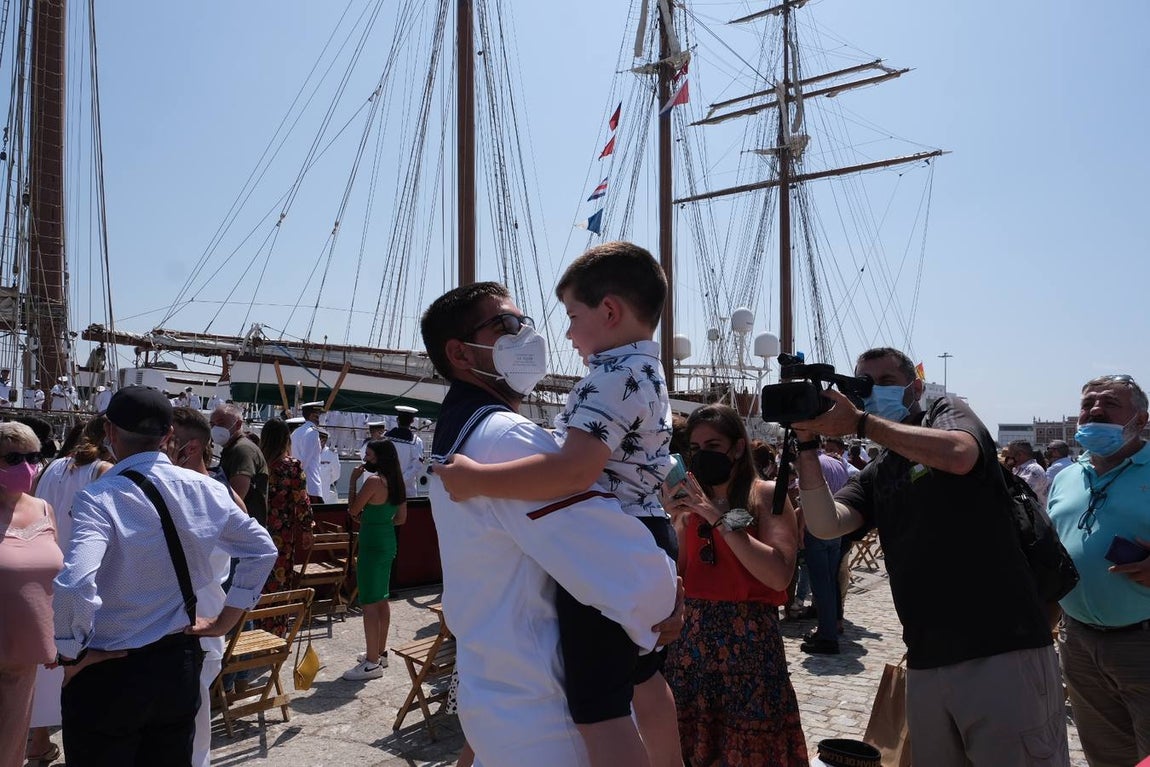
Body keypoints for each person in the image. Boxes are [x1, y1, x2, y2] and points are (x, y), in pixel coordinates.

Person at [435, 244, 682, 766]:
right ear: (460, 353)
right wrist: (666, 597)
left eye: (531, 322)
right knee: (609, 705)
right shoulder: (506, 440)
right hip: (543, 720)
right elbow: (632, 578)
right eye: (506, 326)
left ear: (608, 311)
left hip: (505, 696)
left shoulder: (471, 439)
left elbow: (573, 471)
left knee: (609, 704)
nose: (538, 337)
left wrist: (477, 481)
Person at [793, 347, 1069, 766]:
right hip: (925, 659)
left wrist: (863, 423)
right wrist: (807, 445)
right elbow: (826, 524)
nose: (871, 392)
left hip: (1001, 651)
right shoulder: (880, 468)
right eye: (862, 384)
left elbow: (960, 455)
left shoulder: (945, 409)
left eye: (883, 382)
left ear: (914, 386)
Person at [51, 386, 276, 765]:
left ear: (109, 433)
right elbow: (262, 549)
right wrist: (226, 620)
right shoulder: (208, 490)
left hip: (111, 667)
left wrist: (71, 654)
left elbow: (74, 583)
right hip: (177, 663)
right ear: (168, 435)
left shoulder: (100, 497)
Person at [662, 404, 808, 765]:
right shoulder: (691, 502)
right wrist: (670, 519)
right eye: (695, 449)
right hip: (692, 643)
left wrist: (714, 515)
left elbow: (778, 573)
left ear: (738, 447)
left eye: (713, 446)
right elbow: (680, 573)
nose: (702, 456)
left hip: (749, 643)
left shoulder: (765, 495)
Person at [1046, 374, 1150, 767]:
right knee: (1106, 754)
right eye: (1088, 404)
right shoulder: (1068, 477)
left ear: (1140, 420)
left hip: (1143, 642)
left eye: (1109, 404)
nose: (1095, 410)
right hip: (1078, 642)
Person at [27, 416, 114, 759]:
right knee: (79, 666)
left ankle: (38, 741)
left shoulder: (50, 468)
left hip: (45, 570)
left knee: (43, 666)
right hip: (83, 574)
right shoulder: (105, 472)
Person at [166, 406, 240, 767]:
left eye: (168, 439)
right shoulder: (208, 490)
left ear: (189, 447)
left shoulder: (213, 493)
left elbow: (261, 552)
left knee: (189, 724)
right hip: (187, 622)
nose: (161, 447)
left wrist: (228, 617)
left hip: (199, 622)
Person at [0, 423, 61, 767]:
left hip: (23, 659)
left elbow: (53, 578)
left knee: (9, 750)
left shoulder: (43, 509)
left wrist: (56, 634)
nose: (27, 466)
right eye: (13, 457)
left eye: (34, 457)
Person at [342, 439, 408, 680]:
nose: (366, 459)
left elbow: (352, 510)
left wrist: (351, 482)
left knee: (369, 602)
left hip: (371, 545)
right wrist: (379, 521)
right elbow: (401, 518)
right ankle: (379, 652)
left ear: (379, 458)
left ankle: (371, 664)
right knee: (381, 598)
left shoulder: (373, 481)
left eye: (369, 455)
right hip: (387, 541)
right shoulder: (397, 482)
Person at [258, 417, 315, 634]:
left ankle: (254, 627)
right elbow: (301, 500)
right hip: (281, 534)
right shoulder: (291, 466)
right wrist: (307, 529)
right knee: (279, 582)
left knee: (257, 581)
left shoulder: (257, 462)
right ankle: (275, 631)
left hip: (256, 529)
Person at [798, 437, 849, 654]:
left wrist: (800, 530)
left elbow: (804, 501)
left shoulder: (809, 464)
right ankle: (831, 626)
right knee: (830, 581)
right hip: (836, 527)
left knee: (821, 586)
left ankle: (827, 635)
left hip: (816, 528)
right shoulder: (839, 463)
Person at [211, 403, 269, 526]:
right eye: (212, 424)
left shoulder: (242, 450)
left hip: (243, 529)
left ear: (238, 424)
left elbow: (235, 496)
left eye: (221, 423)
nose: (215, 429)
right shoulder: (231, 449)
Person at [290, 401, 326, 503]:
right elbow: (305, 460)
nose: (318, 417)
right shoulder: (313, 432)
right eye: (317, 415)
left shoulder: (296, 432)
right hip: (310, 485)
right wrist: (299, 478)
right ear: (312, 415)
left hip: (299, 484)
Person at [385, 406, 425, 496]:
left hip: (387, 487)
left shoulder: (386, 439)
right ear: (412, 421)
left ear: (397, 420)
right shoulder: (416, 441)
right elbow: (417, 465)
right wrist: (402, 479)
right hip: (407, 490)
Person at [1006, 439, 1050, 507]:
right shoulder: (1017, 469)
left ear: (1020, 454)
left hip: (1033, 514)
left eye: (1009, 454)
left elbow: (1022, 494)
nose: (1007, 457)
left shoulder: (1033, 470)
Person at [319, 430, 341, 503]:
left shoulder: (331, 454)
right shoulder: (309, 452)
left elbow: (336, 474)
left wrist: (326, 481)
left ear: (324, 441)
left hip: (324, 491)